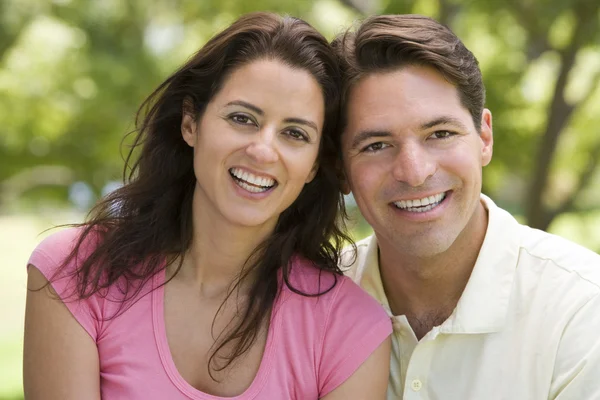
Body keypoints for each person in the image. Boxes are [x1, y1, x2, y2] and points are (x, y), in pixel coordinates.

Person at [23, 12, 392, 400]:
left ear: (314, 164)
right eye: (242, 118)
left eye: (295, 133)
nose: (263, 150)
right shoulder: (74, 274)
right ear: (190, 123)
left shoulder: (351, 329)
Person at [332, 14, 600, 399]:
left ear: (484, 137)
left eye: (440, 133)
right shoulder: (311, 302)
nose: (415, 172)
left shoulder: (581, 311)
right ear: (340, 169)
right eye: (376, 145)